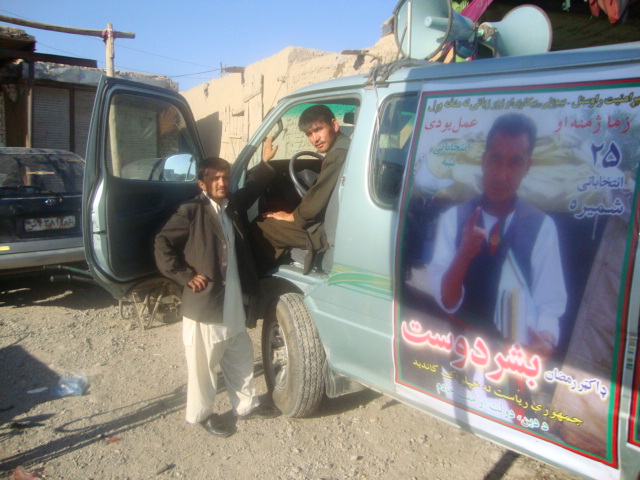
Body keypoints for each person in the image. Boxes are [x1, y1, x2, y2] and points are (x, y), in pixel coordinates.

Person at [154, 155, 279, 438]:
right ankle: (202, 414)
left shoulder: (230, 206)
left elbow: (250, 190)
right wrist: (184, 275)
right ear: (202, 184)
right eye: (215, 178)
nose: (222, 183)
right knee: (204, 363)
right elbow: (162, 243)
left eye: (225, 177)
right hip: (206, 302)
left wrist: (266, 163)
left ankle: (246, 405)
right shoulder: (191, 211)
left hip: (233, 300)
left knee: (239, 353)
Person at [426, 113, 567, 359]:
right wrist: (464, 254)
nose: (501, 175)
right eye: (495, 159)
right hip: (463, 354)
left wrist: (545, 340)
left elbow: (550, 303)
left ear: (527, 166)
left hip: (515, 363)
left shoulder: (542, 227)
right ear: (483, 161)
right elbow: (447, 300)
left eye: (514, 163)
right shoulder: (454, 219)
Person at [253, 104, 350, 274]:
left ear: (334, 125)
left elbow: (315, 201)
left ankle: (262, 276)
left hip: (325, 233)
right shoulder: (344, 147)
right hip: (336, 224)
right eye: (309, 134)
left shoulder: (337, 155)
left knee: (262, 225)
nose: (315, 138)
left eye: (318, 129)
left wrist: (293, 216)